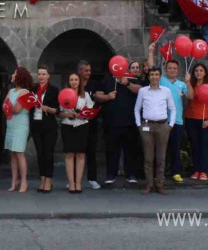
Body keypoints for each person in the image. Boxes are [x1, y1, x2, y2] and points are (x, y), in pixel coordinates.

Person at [95, 61, 145, 186]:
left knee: (130, 150)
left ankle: (130, 174)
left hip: (130, 123)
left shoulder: (133, 79)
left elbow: (140, 91)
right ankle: (111, 175)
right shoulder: (107, 80)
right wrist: (108, 97)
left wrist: (127, 83)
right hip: (111, 122)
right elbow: (97, 95)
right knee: (111, 150)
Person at [135, 67, 176, 195]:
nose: (154, 77)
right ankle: (149, 184)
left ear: (160, 76)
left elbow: (172, 109)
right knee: (148, 158)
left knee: (161, 158)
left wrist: (171, 125)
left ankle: (159, 185)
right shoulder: (143, 91)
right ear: (148, 76)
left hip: (163, 126)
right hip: (147, 127)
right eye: (152, 74)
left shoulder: (166, 91)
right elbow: (137, 109)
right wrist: (138, 125)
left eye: (156, 74)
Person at [59, 72, 95, 194]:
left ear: (79, 82)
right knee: (69, 154)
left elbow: (91, 110)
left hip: (82, 126)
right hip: (67, 126)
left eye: (76, 79)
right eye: (71, 79)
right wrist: (67, 114)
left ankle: (79, 182)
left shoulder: (85, 95)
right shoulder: (64, 94)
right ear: (68, 82)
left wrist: (83, 114)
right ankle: (71, 183)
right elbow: (59, 113)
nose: (74, 82)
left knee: (80, 154)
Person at [185, 63, 208, 180]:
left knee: (204, 145)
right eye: (196, 71)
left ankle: (203, 171)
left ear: (205, 73)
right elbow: (191, 97)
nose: (198, 72)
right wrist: (188, 83)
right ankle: (196, 170)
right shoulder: (191, 85)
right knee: (194, 146)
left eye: (201, 70)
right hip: (191, 119)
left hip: (205, 120)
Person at [4, 67, 33, 193]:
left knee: (20, 153)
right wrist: (8, 107)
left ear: (20, 76)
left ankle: (24, 181)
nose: (12, 75)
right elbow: (3, 106)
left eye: (15, 73)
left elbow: (16, 109)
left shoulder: (25, 92)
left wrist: (8, 107)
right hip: (10, 124)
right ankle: (14, 181)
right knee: (13, 154)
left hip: (20, 125)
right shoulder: (11, 91)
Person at [31, 66, 59, 193]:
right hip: (36, 125)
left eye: (44, 74)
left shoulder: (53, 90)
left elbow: (57, 110)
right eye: (39, 74)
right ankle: (42, 180)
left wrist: (48, 109)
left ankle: (49, 180)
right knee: (40, 154)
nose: (41, 76)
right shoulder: (33, 89)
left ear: (48, 76)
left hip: (49, 126)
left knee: (48, 154)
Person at [159, 59, 188, 183]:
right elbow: (151, 67)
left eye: (175, 68)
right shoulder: (161, 80)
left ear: (178, 70)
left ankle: (176, 172)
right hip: (163, 120)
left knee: (176, 148)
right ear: (166, 70)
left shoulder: (182, 84)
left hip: (177, 121)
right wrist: (150, 52)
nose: (172, 70)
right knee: (162, 149)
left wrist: (188, 82)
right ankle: (161, 174)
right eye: (170, 68)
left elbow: (191, 96)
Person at [77, 60, 102, 189]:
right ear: (80, 71)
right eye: (86, 70)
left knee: (91, 151)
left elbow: (98, 98)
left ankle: (92, 178)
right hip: (76, 123)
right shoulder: (74, 83)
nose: (88, 73)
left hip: (91, 122)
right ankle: (75, 179)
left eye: (90, 71)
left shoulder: (94, 84)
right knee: (76, 151)